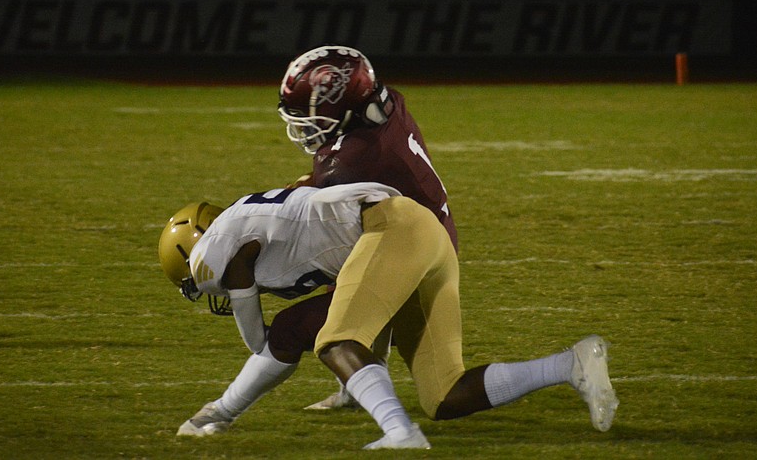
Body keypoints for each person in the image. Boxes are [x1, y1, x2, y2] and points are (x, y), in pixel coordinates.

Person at [158, 182, 619, 450]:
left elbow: (261, 340)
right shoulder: (249, 229)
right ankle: (572, 363)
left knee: (329, 339)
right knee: (444, 395)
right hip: (416, 238)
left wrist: (226, 397)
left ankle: (400, 434)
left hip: (391, 228)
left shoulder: (215, 251)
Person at [203, 45, 456, 412]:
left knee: (298, 326)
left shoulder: (347, 164)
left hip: (412, 257)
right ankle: (354, 391)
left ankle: (218, 414)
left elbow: (312, 215)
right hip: (428, 235)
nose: (303, 127)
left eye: (311, 117)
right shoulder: (385, 105)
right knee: (341, 271)